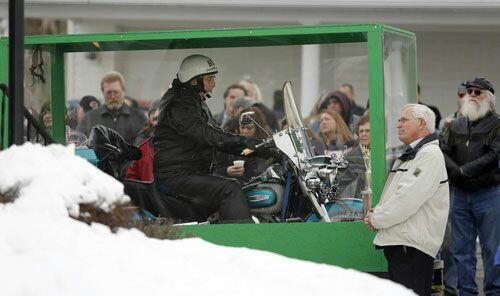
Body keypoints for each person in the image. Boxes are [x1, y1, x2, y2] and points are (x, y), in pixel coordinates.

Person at [154, 54, 262, 223]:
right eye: (210, 78)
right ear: (194, 80)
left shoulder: (194, 101)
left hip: (190, 171)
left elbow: (216, 134)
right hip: (177, 175)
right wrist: (250, 144)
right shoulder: (180, 105)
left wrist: (256, 148)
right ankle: (242, 244)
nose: (214, 83)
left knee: (245, 185)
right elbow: (209, 135)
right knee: (230, 189)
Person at [364, 104, 449, 296]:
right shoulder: (415, 154)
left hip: (411, 249)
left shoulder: (429, 155)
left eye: (404, 120)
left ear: (421, 123)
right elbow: (397, 194)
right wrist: (376, 213)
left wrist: (376, 219)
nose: (398, 125)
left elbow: (407, 198)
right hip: (404, 245)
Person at [440, 77, 500, 296]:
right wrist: (457, 171)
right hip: (461, 196)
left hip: (489, 194)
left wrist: (464, 170)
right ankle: (467, 292)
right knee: (461, 250)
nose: (472, 95)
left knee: (493, 248)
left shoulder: (497, 124)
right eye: (469, 92)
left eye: (478, 92)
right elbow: (443, 150)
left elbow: (494, 155)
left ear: (489, 98)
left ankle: (495, 291)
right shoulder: (456, 124)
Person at [76, 71, 147, 142]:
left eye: (116, 92)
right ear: (103, 92)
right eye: (108, 93)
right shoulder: (89, 118)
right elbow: (79, 142)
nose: (112, 96)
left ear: (123, 91)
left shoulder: (139, 117)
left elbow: (143, 144)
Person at [215, 108, 271, 183]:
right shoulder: (233, 143)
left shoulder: (266, 145)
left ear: (258, 128)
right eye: (242, 127)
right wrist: (227, 171)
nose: (245, 131)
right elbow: (215, 168)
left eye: (249, 128)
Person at [124, 100, 161, 182]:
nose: (157, 122)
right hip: (148, 192)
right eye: (155, 118)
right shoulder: (143, 144)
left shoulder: (180, 144)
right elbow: (132, 174)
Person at [338, 114, 370, 199]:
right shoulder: (349, 158)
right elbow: (341, 188)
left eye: (367, 131)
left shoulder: (383, 155)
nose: (363, 134)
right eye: (361, 131)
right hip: (356, 205)